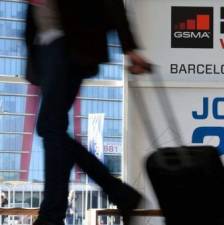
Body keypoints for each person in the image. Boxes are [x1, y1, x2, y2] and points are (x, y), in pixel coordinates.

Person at [24, 0, 151, 225]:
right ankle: (117, 193)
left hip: (68, 45)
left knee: (50, 129)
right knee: (53, 132)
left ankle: (53, 215)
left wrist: (129, 49)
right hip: (46, 48)